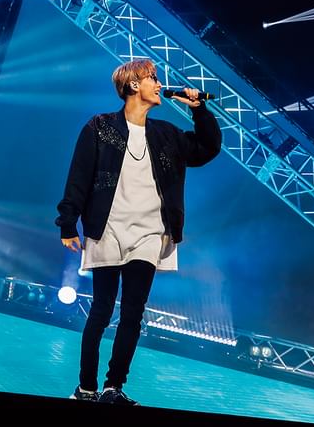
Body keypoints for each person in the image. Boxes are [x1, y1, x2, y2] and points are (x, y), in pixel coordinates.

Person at [56, 59, 221, 404]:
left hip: (150, 232)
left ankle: (113, 387)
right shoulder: (99, 126)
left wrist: (199, 111)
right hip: (108, 228)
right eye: (153, 78)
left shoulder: (166, 134)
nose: (160, 85)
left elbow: (207, 149)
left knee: (133, 311)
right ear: (134, 85)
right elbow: (79, 175)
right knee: (102, 309)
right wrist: (67, 222)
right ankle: (86, 388)